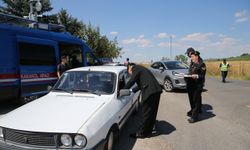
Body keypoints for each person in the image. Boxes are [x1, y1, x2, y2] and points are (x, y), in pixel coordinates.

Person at [124, 63, 162, 138]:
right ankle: (148, 131)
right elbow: (140, 85)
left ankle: (141, 133)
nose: (130, 74)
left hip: (150, 92)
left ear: (130, 68)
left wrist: (123, 89)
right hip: (156, 91)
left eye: (128, 72)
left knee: (145, 113)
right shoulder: (141, 69)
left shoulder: (136, 68)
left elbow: (132, 80)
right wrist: (131, 90)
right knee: (151, 113)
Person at [187, 51, 206, 123]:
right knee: (191, 100)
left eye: (192, 56)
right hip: (190, 84)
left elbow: (202, 76)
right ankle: (193, 112)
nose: (191, 58)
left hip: (197, 85)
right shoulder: (192, 64)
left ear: (196, 56)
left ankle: (194, 117)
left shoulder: (202, 64)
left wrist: (197, 76)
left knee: (196, 101)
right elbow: (190, 72)